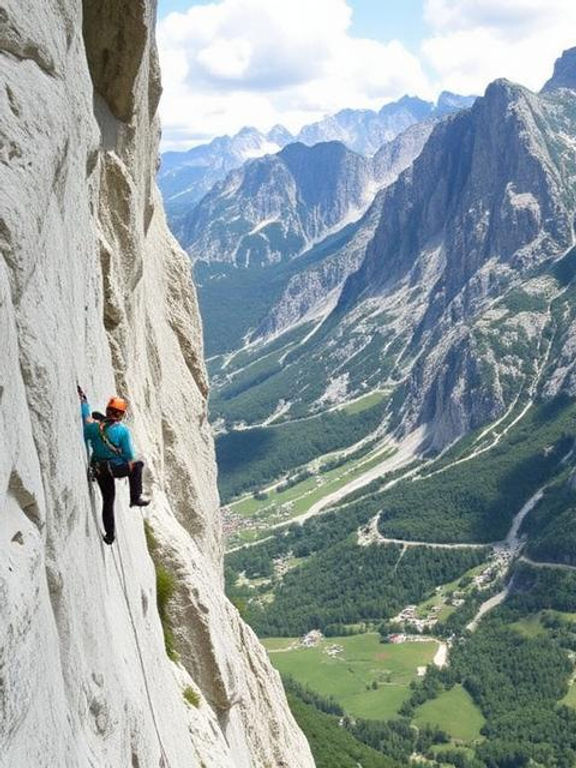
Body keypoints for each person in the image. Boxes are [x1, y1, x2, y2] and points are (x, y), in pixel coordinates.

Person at [78, 385, 149, 545]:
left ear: (108, 410)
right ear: (121, 415)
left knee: (108, 501)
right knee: (137, 465)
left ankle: (110, 535)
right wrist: (125, 464)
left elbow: (87, 418)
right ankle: (135, 497)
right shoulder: (122, 431)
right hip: (114, 469)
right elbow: (129, 456)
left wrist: (84, 402)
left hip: (99, 469)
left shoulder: (94, 427)